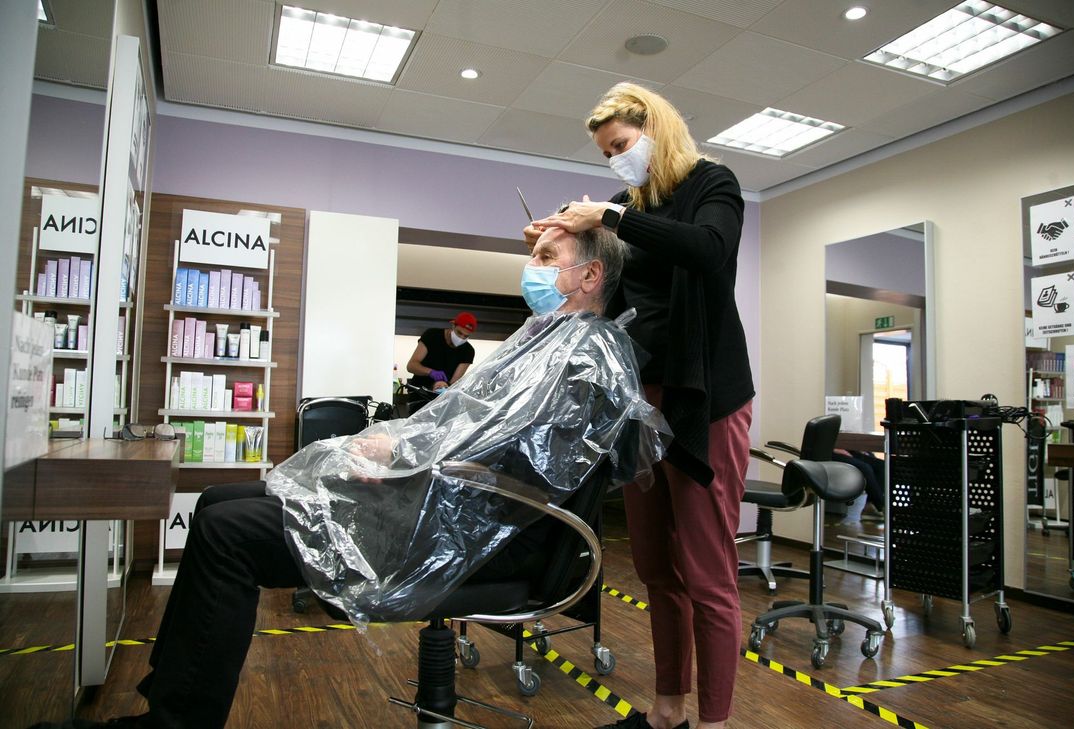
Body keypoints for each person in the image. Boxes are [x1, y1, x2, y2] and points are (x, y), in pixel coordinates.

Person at [30, 225, 669, 729]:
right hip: (450, 507)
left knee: (228, 531)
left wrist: (413, 461)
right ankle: (168, 702)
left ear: (589, 274)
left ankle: (176, 723)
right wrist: (402, 450)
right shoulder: (542, 342)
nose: (532, 267)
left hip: (485, 537)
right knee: (219, 501)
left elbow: (529, 467)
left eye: (548, 255)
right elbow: (471, 424)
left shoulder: (588, 355)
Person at [524, 82, 754, 729]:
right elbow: (596, 288)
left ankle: (713, 720)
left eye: (621, 145)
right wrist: (554, 249)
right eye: (607, 153)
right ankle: (668, 709)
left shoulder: (714, 184)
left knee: (707, 572)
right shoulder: (626, 204)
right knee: (655, 566)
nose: (617, 162)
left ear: (656, 127)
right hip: (640, 403)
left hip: (703, 400)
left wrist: (611, 216)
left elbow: (708, 251)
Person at [406, 311, 477, 391]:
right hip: (418, 393)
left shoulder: (468, 351)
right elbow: (411, 366)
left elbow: (453, 383)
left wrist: (443, 389)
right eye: (459, 333)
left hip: (441, 397)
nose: (461, 338)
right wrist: (430, 372)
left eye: (466, 336)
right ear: (453, 325)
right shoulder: (432, 336)